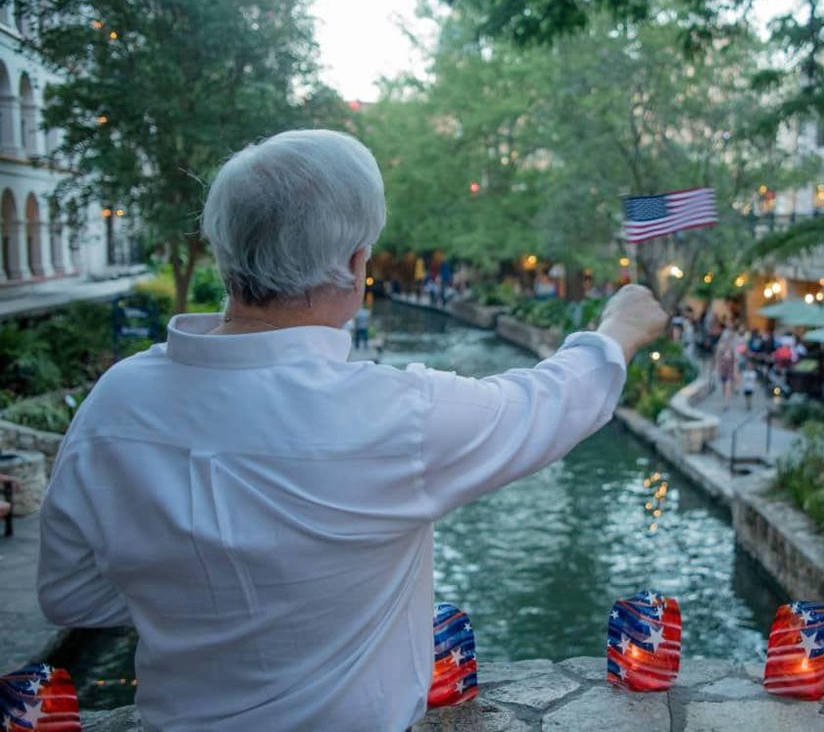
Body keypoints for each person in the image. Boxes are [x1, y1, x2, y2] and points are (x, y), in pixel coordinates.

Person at [35, 129, 668, 732]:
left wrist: (204, 594)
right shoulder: (393, 415)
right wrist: (617, 330)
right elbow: (546, 404)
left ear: (223, 249)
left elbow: (70, 595)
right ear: (354, 260)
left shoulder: (117, 401)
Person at [715, 326, 738, 408]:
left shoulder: (732, 348)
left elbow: (735, 360)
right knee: (724, 387)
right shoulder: (720, 348)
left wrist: (735, 371)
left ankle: (726, 402)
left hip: (729, 370)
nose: (727, 341)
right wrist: (717, 368)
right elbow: (717, 358)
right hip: (723, 370)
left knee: (728, 386)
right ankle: (725, 397)